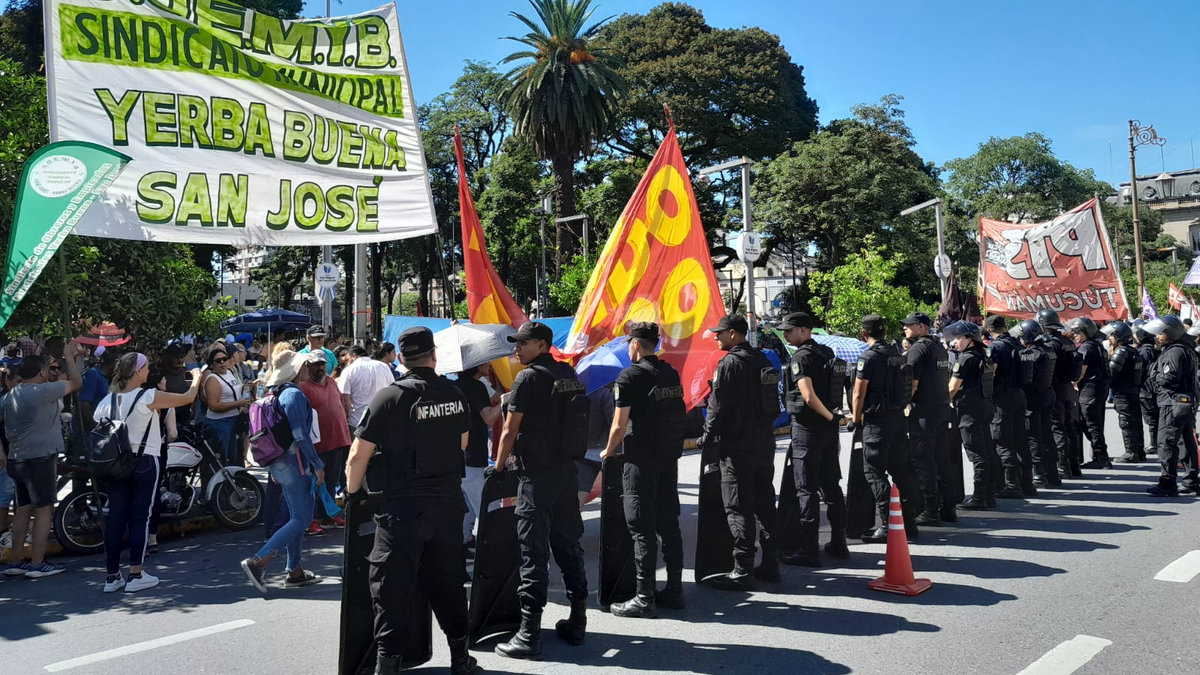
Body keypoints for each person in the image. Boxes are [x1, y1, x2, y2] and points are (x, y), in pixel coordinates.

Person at [342, 327, 478, 675]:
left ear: (401, 359)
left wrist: (353, 495)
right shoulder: (455, 394)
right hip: (447, 506)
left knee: (391, 588)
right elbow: (462, 444)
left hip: (402, 510)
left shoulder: (389, 397)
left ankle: (387, 666)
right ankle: (461, 659)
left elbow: (358, 456)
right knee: (448, 584)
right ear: (434, 355)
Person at [493, 321, 589, 659]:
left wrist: (498, 466)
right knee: (568, 546)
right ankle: (578, 622)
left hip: (536, 476)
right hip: (566, 473)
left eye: (524, 343)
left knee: (532, 552)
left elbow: (510, 429)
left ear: (543, 345)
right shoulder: (568, 374)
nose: (517, 348)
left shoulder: (528, 378)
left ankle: (529, 635)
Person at [93, 354, 202, 592]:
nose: (149, 371)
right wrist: (196, 378)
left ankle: (112, 576)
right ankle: (136, 573)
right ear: (138, 371)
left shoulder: (107, 401)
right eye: (146, 368)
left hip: (115, 464)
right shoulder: (148, 396)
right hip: (144, 461)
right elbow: (187, 397)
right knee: (140, 518)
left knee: (115, 518)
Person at [603, 322, 687, 617]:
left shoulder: (629, 377)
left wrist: (608, 451)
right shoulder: (669, 372)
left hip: (640, 460)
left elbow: (619, 424)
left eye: (629, 343)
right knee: (669, 523)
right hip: (667, 458)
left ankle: (644, 597)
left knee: (641, 527)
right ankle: (675, 590)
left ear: (636, 344)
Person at [702, 314, 781, 589]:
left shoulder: (729, 363)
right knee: (765, 505)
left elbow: (718, 405)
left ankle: (742, 569)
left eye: (720, 333)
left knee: (738, 508)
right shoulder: (762, 359)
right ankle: (771, 564)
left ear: (734, 334)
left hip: (737, 446)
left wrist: (707, 435)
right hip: (764, 443)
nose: (716, 337)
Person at [240, 350, 325, 592]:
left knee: (296, 516)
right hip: (294, 463)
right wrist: (317, 464)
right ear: (297, 369)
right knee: (302, 518)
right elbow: (300, 435)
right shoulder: (293, 395)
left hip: (279, 462)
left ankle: (295, 571)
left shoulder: (275, 392)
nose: (308, 369)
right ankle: (258, 561)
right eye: (305, 366)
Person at [0, 346, 83, 578]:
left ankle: (16, 560)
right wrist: (69, 357)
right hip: (41, 457)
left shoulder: (9, 396)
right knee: (44, 508)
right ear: (41, 372)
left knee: (23, 509)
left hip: (17, 457)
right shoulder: (43, 390)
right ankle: (38, 563)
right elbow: (77, 382)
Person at [778, 312, 849, 567]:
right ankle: (839, 542)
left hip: (809, 428)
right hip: (828, 431)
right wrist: (833, 419)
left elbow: (808, 397)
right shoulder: (826, 353)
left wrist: (829, 417)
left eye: (789, 330)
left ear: (804, 330)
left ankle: (809, 549)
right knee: (831, 487)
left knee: (806, 489)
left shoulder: (801, 358)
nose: (785, 335)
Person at [851, 314, 922, 539]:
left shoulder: (868, 357)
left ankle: (887, 524)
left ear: (864, 333)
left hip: (877, 421)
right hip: (898, 418)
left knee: (874, 472)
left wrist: (855, 419)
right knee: (900, 470)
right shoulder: (896, 354)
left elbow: (858, 392)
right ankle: (909, 523)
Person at [901, 312, 953, 524]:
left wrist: (904, 404)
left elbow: (912, 383)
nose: (905, 328)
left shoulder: (918, 348)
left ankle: (930, 510)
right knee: (941, 459)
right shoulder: (938, 347)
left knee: (922, 460)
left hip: (924, 411)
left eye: (909, 325)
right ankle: (948, 507)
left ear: (922, 326)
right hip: (941, 407)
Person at [1142, 316, 1198, 497]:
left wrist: (1154, 375)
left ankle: (1167, 483)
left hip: (1172, 402)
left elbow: (1168, 378)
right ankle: (1191, 481)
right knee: (1185, 442)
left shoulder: (1174, 352)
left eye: (1161, 333)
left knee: (1166, 442)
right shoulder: (1186, 349)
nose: (1158, 336)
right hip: (1184, 403)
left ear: (1171, 333)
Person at [945, 321, 996, 510]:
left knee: (977, 454)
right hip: (984, 405)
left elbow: (952, 387)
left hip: (969, 411)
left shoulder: (965, 358)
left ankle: (979, 498)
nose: (955, 342)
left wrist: (942, 401)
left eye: (959, 338)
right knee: (987, 451)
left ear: (970, 339)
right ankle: (989, 496)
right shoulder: (984, 354)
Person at [298, 351, 352, 534]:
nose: (320, 368)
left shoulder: (331, 381)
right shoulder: (304, 387)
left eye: (322, 364)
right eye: (316, 364)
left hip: (337, 439)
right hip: (317, 444)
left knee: (331, 481)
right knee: (314, 483)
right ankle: (312, 519)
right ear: (308, 366)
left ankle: (328, 515)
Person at [985, 315, 1033, 499]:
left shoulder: (995, 347)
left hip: (1002, 398)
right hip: (1019, 395)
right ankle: (1027, 483)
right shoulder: (1017, 344)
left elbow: (990, 373)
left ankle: (1012, 485)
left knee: (1003, 441)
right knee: (1020, 439)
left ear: (989, 330)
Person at [456, 363, 502, 548]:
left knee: (466, 503)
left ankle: (463, 540)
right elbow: (489, 417)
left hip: (456, 455)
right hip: (473, 454)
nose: (489, 365)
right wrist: (507, 400)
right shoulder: (477, 386)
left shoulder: (454, 387)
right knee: (487, 505)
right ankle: (493, 547)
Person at [1037, 310, 1082, 478]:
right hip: (1067, 388)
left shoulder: (1050, 343)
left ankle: (1063, 467)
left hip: (1055, 387)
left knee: (1057, 427)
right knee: (1070, 427)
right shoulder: (1067, 341)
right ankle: (1074, 465)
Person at [1066, 317, 1112, 470]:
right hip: (1099, 389)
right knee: (1096, 424)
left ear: (1086, 332)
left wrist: (1071, 384)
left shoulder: (1085, 348)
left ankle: (1101, 458)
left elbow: (1080, 371)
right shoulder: (1098, 346)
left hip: (1089, 390)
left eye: (1077, 332)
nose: (1075, 335)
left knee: (1090, 425)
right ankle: (1100, 457)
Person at [1019, 320, 1060, 487]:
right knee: (1047, 434)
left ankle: (1039, 474)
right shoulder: (1048, 350)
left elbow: (1024, 378)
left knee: (1033, 436)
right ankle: (1053, 473)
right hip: (1047, 394)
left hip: (1034, 398)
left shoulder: (1032, 353)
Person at [1102, 321, 1146, 464]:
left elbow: (1111, 373)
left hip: (1123, 392)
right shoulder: (1133, 351)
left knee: (1126, 422)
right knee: (1136, 421)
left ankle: (1131, 452)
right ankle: (1139, 451)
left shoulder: (1121, 351)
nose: (1110, 338)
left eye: (1112, 335)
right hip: (1133, 390)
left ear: (1118, 336)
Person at [200, 344, 250, 464]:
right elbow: (213, 406)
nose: (222, 362)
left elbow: (234, 391)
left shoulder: (229, 373)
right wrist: (238, 403)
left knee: (232, 457)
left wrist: (246, 388)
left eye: (224, 359)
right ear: (212, 364)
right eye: (218, 361)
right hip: (219, 423)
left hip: (234, 420)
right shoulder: (213, 379)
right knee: (221, 459)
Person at [340, 346, 397, 437]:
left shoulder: (349, 370)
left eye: (348, 359)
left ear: (354, 355)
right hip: (382, 421)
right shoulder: (383, 366)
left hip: (357, 422)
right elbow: (393, 391)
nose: (347, 363)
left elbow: (345, 401)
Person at [1135, 321, 1161, 458]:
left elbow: (1141, 370)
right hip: (1154, 387)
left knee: (1151, 417)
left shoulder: (1144, 351)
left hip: (1147, 388)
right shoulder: (1154, 349)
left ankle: (1154, 443)